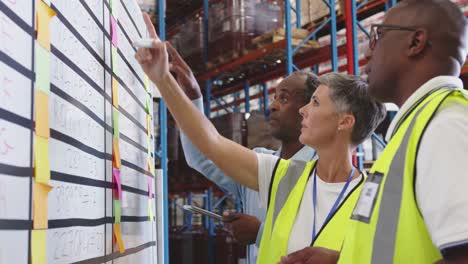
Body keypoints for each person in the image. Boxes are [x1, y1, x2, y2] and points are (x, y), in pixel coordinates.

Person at [135, 13, 385, 264]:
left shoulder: (373, 199)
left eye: (316, 103)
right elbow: (211, 143)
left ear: (344, 121)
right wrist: (163, 80)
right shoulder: (284, 174)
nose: (303, 110)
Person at [335, 0, 468, 263]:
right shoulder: (420, 127)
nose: (367, 53)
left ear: (415, 42)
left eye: (378, 37)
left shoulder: (444, 126)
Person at [166, 43, 318, 264]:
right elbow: (202, 156)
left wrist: (260, 233)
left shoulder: (322, 171)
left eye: (284, 99)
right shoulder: (258, 164)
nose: (273, 105)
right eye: (274, 97)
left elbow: (327, 245)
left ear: (308, 111)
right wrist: (191, 97)